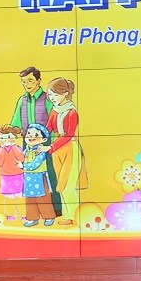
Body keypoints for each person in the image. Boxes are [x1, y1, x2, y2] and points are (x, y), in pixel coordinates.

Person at [11, 66, 61, 216]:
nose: (26, 84)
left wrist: (52, 142)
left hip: (45, 142)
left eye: (30, 80)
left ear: (39, 81)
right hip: (27, 143)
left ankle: (56, 208)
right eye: (23, 81)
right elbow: (16, 124)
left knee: (50, 174)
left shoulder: (47, 99)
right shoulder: (22, 100)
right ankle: (35, 212)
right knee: (29, 175)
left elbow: (55, 121)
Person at [43, 77, 88, 225]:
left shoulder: (72, 112)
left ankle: (76, 216)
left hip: (70, 149)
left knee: (68, 187)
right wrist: (37, 136)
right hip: (57, 151)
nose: (52, 98)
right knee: (60, 186)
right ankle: (67, 216)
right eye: (50, 95)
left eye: (55, 94)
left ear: (65, 93)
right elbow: (48, 128)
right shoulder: (54, 110)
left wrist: (51, 147)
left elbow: (68, 135)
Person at [19, 123, 57, 227]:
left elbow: (35, 164)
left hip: (40, 178)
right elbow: (20, 158)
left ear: (43, 139)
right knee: (30, 199)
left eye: (35, 135)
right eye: (28, 133)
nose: (31, 136)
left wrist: (23, 166)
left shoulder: (41, 151)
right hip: (28, 178)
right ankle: (32, 218)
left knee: (43, 198)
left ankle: (49, 216)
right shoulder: (26, 150)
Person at [0, 125, 24, 222]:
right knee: (9, 196)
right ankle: (10, 214)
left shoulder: (17, 147)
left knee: (20, 195)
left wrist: (13, 146)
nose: (6, 140)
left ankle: (23, 214)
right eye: (2, 138)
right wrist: (2, 148)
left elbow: (21, 158)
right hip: (5, 176)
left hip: (18, 174)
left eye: (9, 137)